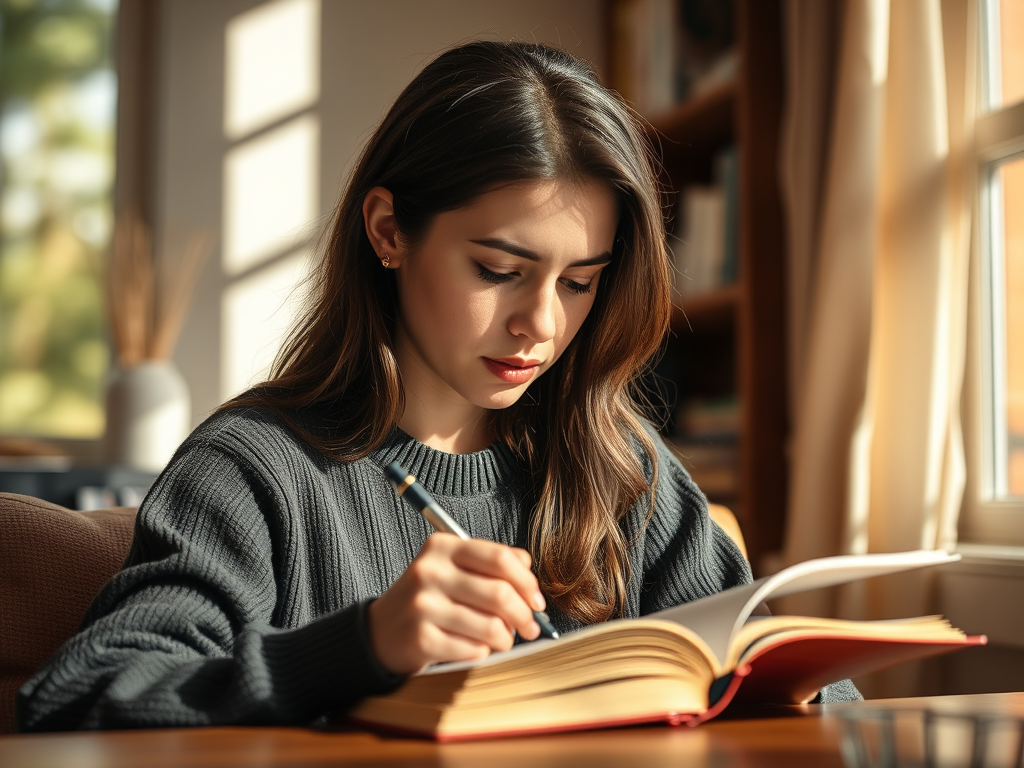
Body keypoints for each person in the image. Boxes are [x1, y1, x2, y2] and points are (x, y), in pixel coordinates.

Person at [18, 41, 859, 731]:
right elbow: (78, 697)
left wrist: (810, 676)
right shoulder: (256, 470)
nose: (541, 323)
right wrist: (364, 645)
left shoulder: (617, 468)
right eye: (500, 269)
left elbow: (804, 699)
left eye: (580, 282)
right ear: (389, 231)